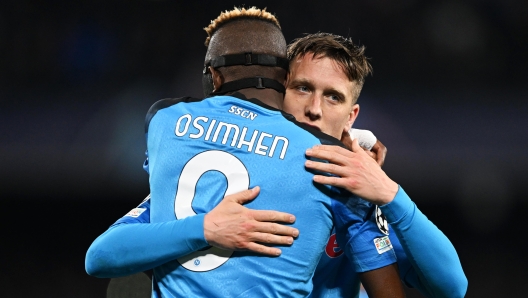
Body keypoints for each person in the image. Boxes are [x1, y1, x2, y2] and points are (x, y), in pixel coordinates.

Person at [86, 7, 404, 298]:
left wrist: (205, 228)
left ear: (214, 78)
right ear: (284, 80)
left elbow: (99, 258)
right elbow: (448, 285)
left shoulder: (165, 120)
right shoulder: (331, 160)